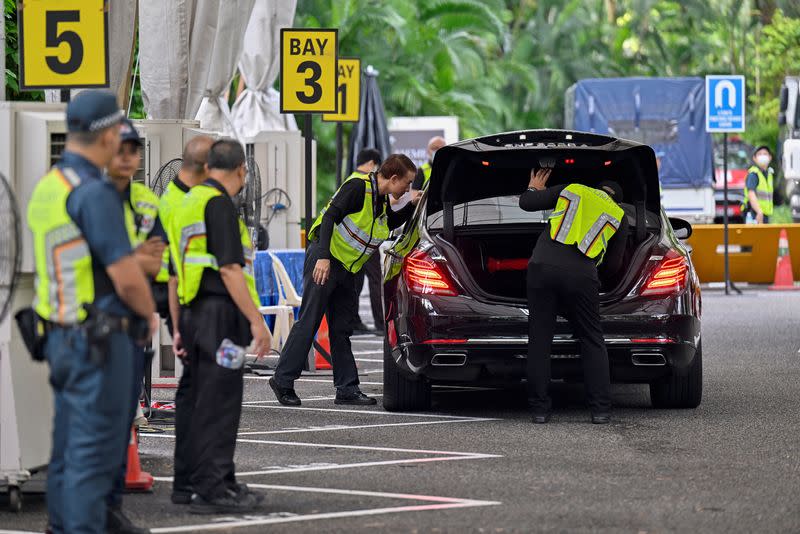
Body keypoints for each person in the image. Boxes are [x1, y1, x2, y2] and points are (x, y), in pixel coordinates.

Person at [27, 90, 156, 534]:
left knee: (68, 451)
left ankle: (62, 527)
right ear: (105, 133)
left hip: (61, 334)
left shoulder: (50, 186)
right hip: (98, 339)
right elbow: (125, 274)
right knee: (93, 456)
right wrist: (148, 315)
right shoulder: (93, 192)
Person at [269, 154, 421, 406]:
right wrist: (323, 257)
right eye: (407, 184)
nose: (407, 189)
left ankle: (347, 388)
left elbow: (389, 223)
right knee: (309, 322)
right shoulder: (358, 187)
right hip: (326, 262)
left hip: (347, 270)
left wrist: (412, 205)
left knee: (341, 330)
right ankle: (283, 381)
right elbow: (329, 218)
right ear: (393, 178)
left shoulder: (381, 198)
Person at [172, 139, 271, 514]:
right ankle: (212, 488)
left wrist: (180, 322)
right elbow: (231, 269)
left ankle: (211, 481)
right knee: (221, 403)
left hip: (196, 315)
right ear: (242, 171)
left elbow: (176, 268)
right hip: (220, 320)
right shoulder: (219, 205)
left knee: (201, 402)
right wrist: (257, 322)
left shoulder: (188, 201)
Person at [520, 168, 629, 425]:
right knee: (591, 338)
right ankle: (600, 410)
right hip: (581, 275)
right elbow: (613, 266)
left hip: (542, 267)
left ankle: (539, 410)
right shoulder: (619, 215)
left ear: (597, 187)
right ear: (618, 200)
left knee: (540, 339)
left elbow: (527, 203)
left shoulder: (573, 188)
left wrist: (534, 188)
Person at [105, 118, 167, 534]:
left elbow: (156, 258)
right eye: (120, 149)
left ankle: (108, 508)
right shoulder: (90, 195)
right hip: (93, 321)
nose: (127, 157)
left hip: (132, 322)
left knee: (122, 416)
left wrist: (121, 256)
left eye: (133, 150)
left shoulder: (145, 199)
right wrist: (132, 256)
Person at [158, 134, 215, 506]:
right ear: (208, 167)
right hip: (185, 306)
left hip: (184, 306)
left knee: (195, 395)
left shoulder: (174, 200)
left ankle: (189, 480)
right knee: (199, 397)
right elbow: (172, 271)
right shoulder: (184, 205)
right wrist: (178, 324)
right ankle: (191, 480)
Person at [349, 148, 385, 334]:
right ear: (372, 164)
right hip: (367, 240)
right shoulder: (369, 182)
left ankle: (353, 321)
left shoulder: (350, 179)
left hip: (352, 241)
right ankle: (381, 324)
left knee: (356, 281)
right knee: (375, 280)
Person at [742, 145, 775, 224]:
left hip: (765, 214)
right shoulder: (754, 174)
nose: (762, 156)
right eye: (759, 154)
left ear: (770, 157)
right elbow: (751, 194)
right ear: (754, 158)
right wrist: (759, 211)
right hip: (754, 215)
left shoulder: (768, 174)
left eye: (765, 154)